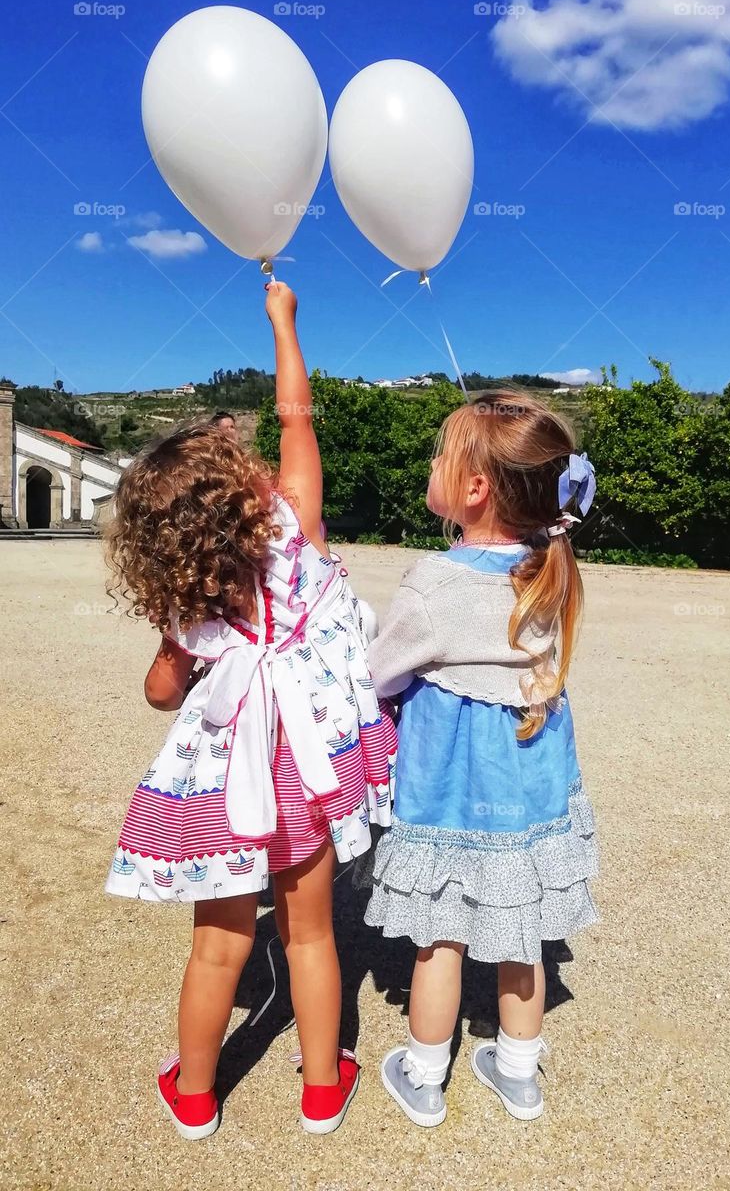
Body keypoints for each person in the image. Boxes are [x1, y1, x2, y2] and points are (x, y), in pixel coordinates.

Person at [105, 282, 396, 1139]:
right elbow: (297, 420)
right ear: (247, 493)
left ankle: (195, 1094)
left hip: (223, 785)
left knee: (218, 944)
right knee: (310, 936)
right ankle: (321, 1089)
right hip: (307, 772)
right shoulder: (297, 534)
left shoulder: (188, 601)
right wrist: (283, 322)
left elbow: (160, 693)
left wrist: (186, 652)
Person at [364, 390, 598, 1126]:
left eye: (442, 454)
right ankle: (519, 1073)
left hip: (452, 784)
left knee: (442, 930)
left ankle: (425, 1074)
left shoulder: (434, 583)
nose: (431, 463)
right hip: (530, 778)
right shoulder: (549, 567)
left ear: (473, 488)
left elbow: (379, 673)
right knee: (521, 926)